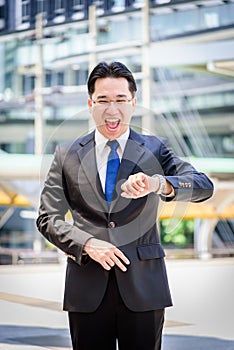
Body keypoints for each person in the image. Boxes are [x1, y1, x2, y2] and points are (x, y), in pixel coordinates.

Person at [37, 61, 214, 350]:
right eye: (103, 100)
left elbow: (203, 186)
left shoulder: (155, 148)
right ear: (90, 103)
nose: (112, 109)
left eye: (120, 100)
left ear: (133, 102)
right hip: (86, 288)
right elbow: (47, 217)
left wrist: (159, 183)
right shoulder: (66, 154)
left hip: (144, 286)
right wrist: (87, 243)